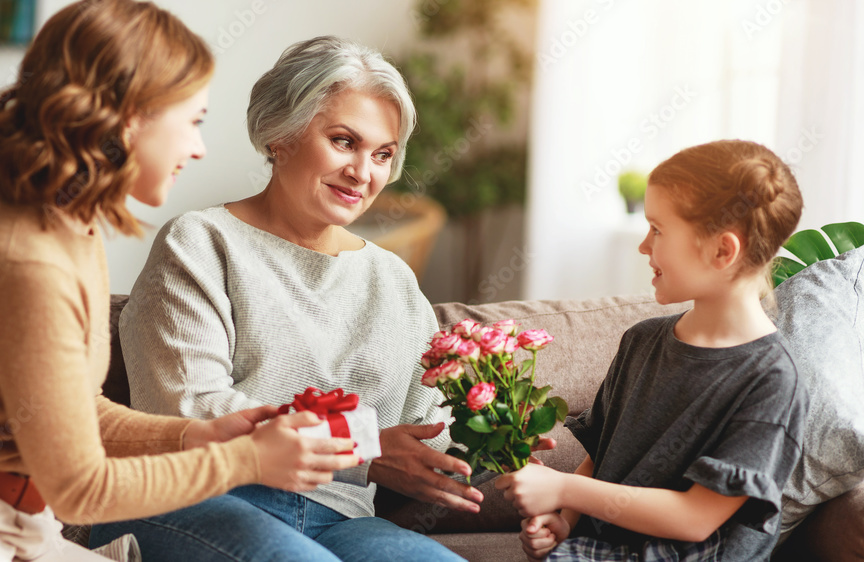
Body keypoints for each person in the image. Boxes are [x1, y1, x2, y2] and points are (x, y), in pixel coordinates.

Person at [0, 2, 359, 560]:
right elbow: (81, 490)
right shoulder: (30, 262)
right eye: (192, 121)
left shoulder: (67, 225)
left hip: (3, 521)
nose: (197, 147)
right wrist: (246, 462)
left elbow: (72, 407)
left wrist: (199, 434)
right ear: (131, 117)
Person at [90, 35, 548, 562]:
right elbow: (189, 408)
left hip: (339, 519)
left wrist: (504, 441)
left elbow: (431, 432)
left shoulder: (392, 279)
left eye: (383, 154)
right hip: (196, 497)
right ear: (280, 135)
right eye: (343, 141)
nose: (363, 172)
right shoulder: (201, 242)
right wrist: (364, 453)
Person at [495, 139, 808, 561]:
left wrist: (564, 488)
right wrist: (565, 521)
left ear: (722, 250)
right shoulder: (641, 341)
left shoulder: (772, 381)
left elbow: (695, 518)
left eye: (658, 230)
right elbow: (602, 456)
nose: (644, 245)